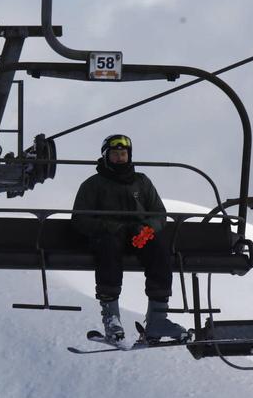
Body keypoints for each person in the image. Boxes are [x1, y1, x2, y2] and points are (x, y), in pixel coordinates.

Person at [73, 134, 187, 343]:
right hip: (109, 236)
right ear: (107, 156)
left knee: (159, 252)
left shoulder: (141, 182)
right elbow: (80, 218)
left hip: (138, 236)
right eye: (115, 154)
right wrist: (108, 227)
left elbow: (159, 213)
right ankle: (111, 318)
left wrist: (146, 228)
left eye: (123, 154)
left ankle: (157, 320)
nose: (119, 158)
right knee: (108, 249)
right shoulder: (94, 185)